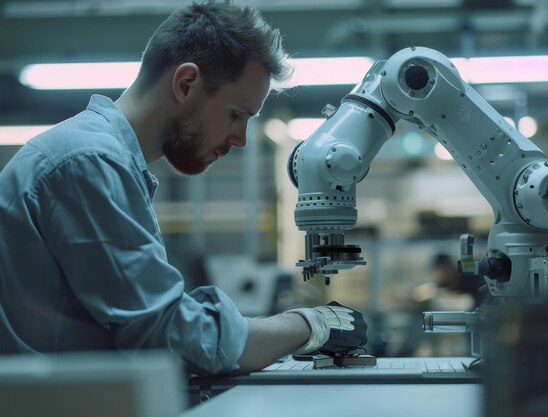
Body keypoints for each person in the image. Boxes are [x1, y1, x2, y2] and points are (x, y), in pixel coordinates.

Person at [0, 0, 367, 375]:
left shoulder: (107, 162)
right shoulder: (89, 162)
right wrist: (309, 324)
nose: (241, 139)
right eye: (236, 115)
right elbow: (169, 336)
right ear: (186, 83)